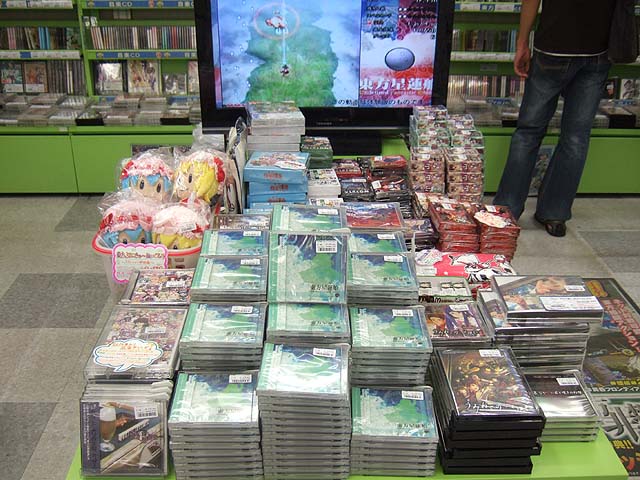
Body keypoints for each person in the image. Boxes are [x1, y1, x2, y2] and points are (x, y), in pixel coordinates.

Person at [493, 0, 616, 237]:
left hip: (553, 47)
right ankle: (555, 213)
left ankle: (507, 211)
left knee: (528, 133)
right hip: (598, 50)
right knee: (576, 137)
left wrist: (522, 42)